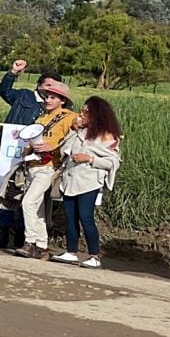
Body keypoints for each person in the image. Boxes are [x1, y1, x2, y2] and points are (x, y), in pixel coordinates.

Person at [0, 59, 65, 249]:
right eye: (47, 86)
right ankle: (1, 234)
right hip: (13, 155)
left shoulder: (57, 112)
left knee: (29, 197)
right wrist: (13, 73)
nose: (49, 92)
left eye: (54, 89)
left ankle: (22, 235)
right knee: (7, 194)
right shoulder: (24, 96)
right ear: (39, 84)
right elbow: (4, 91)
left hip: (38, 161)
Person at [53, 96, 121, 269]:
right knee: (70, 216)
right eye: (81, 111)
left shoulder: (107, 135)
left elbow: (113, 161)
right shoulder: (79, 131)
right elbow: (64, 149)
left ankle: (94, 255)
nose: (81, 114)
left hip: (89, 181)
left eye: (86, 112)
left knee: (86, 217)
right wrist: (74, 130)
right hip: (70, 178)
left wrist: (90, 158)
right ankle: (71, 251)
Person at [15, 78, 77, 260]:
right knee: (38, 207)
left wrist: (52, 146)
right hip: (34, 166)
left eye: (53, 97)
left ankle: (30, 241)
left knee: (28, 202)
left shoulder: (70, 117)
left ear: (62, 100)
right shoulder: (41, 118)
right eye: (46, 96)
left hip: (49, 167)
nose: (48, 100)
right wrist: (29, 149)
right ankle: (42, 245)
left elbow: (73, 140)